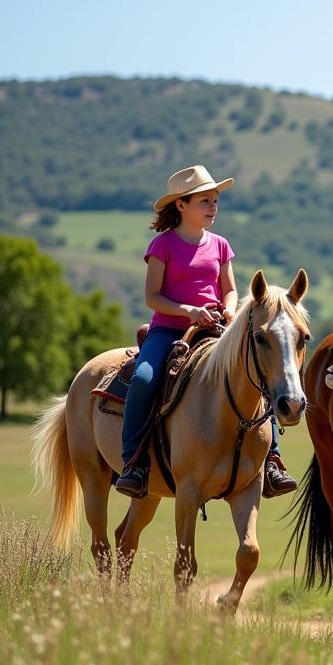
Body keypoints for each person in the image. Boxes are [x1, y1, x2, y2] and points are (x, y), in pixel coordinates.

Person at [115, 165, 296, 500]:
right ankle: (134, 463)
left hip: (216, 329)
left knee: (259, 374)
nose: (213, 207)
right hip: (169, 330)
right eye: (204, 201)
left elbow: (229, 289)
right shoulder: (163, 245)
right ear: (181, 205)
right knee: (142, 378)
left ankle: (272, 461)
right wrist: (188, 312)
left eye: (215, 201)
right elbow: (152, 297)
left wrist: (228, 308)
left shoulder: (221, 245)